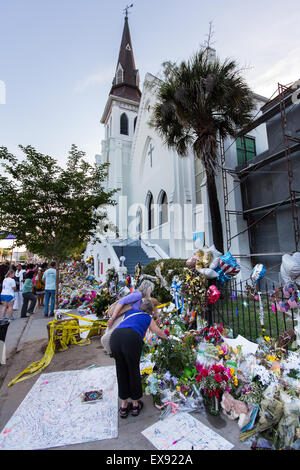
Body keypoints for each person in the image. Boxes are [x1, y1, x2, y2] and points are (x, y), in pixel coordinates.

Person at [109, 299, 168, 418]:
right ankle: (135, 405)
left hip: (115, 338)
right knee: (133, 370)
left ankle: (124, 406)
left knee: (121, 371)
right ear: (150, 311)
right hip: (131, 339)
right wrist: (168, 338)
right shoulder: (147, 317)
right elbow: (157, 331)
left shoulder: (129, 313)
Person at [101, 280, 155, 355]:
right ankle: (112, 352)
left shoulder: (141, 297)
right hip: (122, 318)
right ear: (148, 289)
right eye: (151, 290)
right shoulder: (138, 295)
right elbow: (121, 302)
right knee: (109, 337)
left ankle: (115, 352)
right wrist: (112, 318)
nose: (151, 292)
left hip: (127, 319)